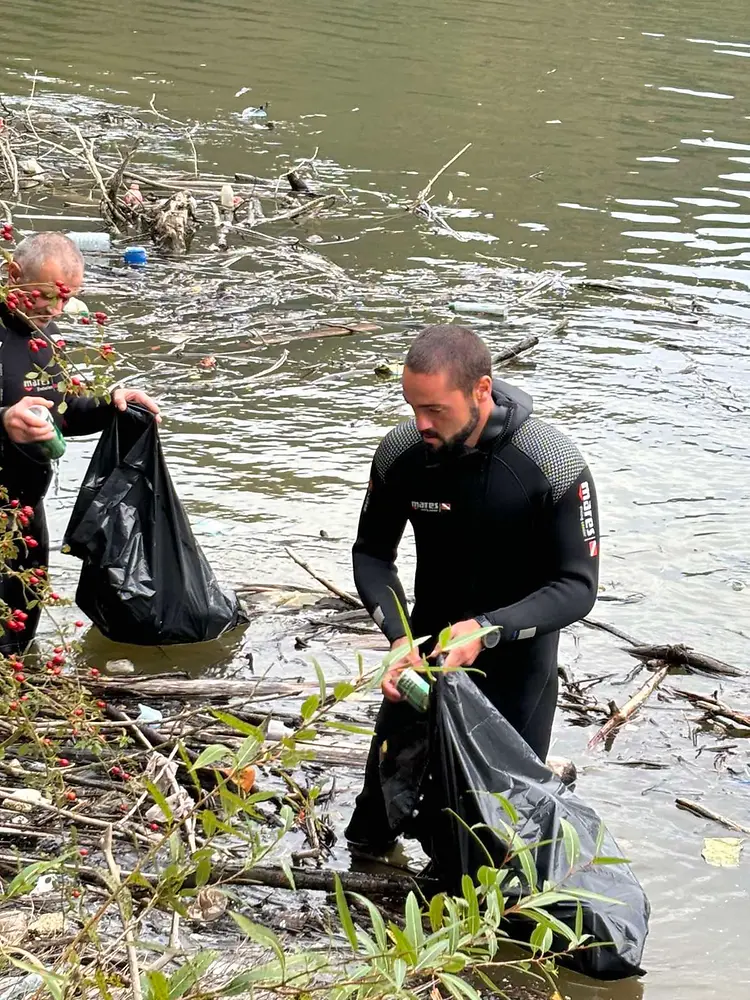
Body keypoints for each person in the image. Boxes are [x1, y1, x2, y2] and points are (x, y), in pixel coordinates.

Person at [345, 324, 600, 855]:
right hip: (423, 660)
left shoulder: (550, 463)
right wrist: (397, 637)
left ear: (481, 390)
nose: (421, 423)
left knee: (491, 852)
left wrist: (486, 631)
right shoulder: (402, 454)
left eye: (435, 409)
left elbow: (577, 587)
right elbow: (371, 555)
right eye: (413, 406)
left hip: (516, 670)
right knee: (371, 833)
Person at [0, 231, 159, 653]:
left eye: (66, 299)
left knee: (17, 639)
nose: (55, 309)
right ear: (13, 274)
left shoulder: (41, 337)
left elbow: (64, 414)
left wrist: (113, 405)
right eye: (46, 296)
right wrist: (3, 421)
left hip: (23, 513)